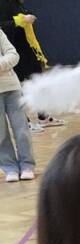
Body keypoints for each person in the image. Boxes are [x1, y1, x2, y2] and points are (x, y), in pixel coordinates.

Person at [0, 0, 61, 128]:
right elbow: (2, 25)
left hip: (27, 46)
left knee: (37, 79)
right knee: (18, 85)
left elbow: (23, 14)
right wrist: (18, 21)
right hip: (12, 48)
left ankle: (43, 116)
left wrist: (28, 16)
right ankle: (24, 122)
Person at [0, 26, 35, 182]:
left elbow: (13, 55)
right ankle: (10, 168)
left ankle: (27, 165)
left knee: (21, 130)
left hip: (12, 88)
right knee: (0, 134)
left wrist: (1, 64)